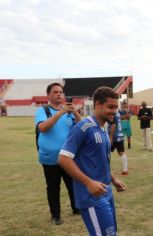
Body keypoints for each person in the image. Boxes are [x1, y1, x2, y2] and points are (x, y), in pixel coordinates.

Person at [58, 86, 126, 235]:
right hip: (91, 197)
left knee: (111, 233)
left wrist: (113, 179)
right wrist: (89, 182)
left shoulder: (102, 128)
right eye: (110, 107)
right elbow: (63, 158)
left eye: (116, 107)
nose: (114, 111)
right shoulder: (83, 127)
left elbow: (101, 160)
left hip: (106, 191)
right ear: (97, 105)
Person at [34, 82, 81, 225]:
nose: (59, 94)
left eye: (60, 92)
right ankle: (56, 216)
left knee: (72, 184)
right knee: (53, 188)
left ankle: (76, 208)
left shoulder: (68, 112)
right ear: (48, 95)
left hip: (67, 157)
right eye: (55, 92)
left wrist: (76, 113)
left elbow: (80, 127)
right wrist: (60, 112)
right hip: (50, 158)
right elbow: (42, 128)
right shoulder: (43, 111)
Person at [109, 111, 129, 176]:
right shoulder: (117, 113)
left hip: (115, 136)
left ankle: (104, 170)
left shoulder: (113, 113)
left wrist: (110, 137)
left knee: (105, 152)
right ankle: (125, 170)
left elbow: (113, 125)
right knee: (121, 153)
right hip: (120, 135)